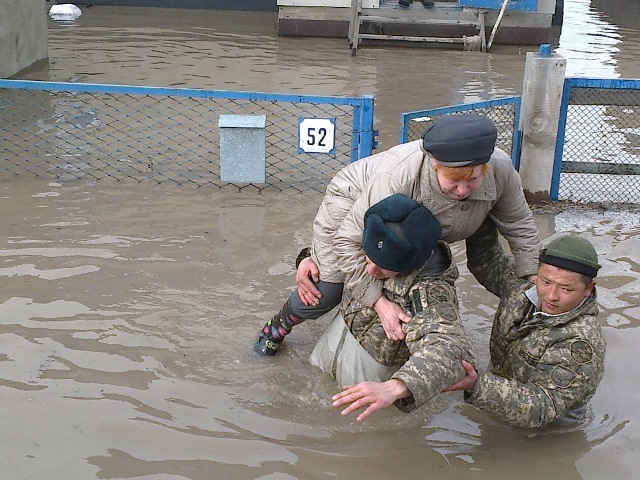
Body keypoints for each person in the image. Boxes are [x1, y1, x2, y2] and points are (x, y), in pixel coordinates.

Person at [254, 113, 540, 356]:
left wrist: (536, 277)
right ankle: (278, 325)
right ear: (434, 165)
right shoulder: (398, 178)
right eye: (453, 182)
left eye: (473, 180)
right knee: (327, 290)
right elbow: (347, 240)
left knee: (502, 273)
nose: (463, 190)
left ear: (485, 167)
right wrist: (379, 303)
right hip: (355, 202)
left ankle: (525, 334)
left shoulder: (500, 168)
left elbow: (520, 225)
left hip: (452, 219)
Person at [308, 194, 475, 421]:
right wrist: (307, 259)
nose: (370, 272)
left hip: (371, 379)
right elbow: (336, 250)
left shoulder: (431, 291)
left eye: (383, 267)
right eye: (368, 258)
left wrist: (395, 387)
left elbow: (450, 351)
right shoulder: (369, 235)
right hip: (333, 341)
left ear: (409, 264)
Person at [442, 219, 606, 428]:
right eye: (546, 282)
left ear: (588, 289)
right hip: (498, 393)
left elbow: (541, 408)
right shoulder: (523, 288)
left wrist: (477, 385)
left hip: (548, 430)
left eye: (566, 289)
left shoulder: (581, 343)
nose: (551, 296)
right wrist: (483, 209)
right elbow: (486, 261)